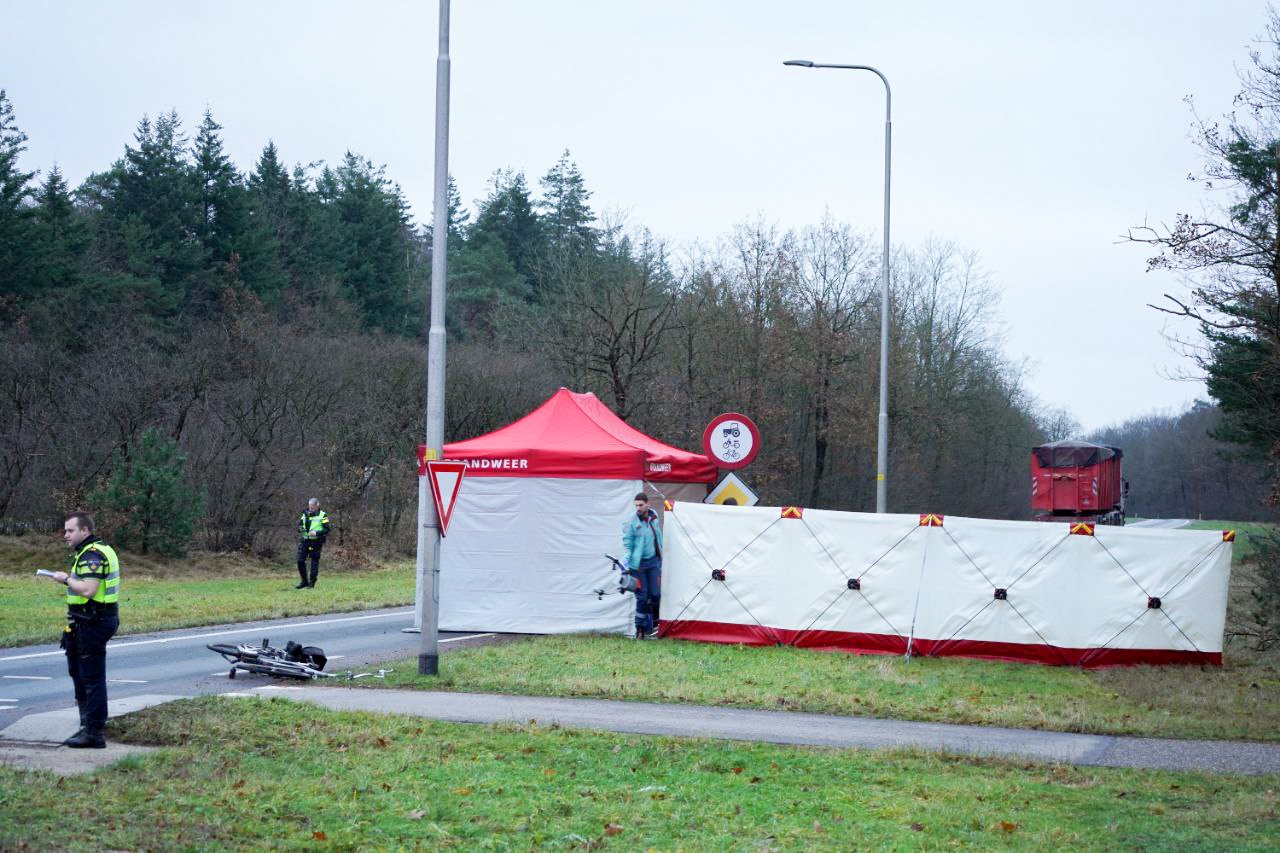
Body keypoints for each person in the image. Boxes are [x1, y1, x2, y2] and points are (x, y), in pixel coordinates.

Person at [41, 512, 120, 749]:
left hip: (93, 621)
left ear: (84, 530)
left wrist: (64, 578)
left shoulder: (92, 555)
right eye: (65, 531)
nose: (65, 535)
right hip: (86, 621)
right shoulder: (92, 550)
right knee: (81, 673)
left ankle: (94, 733)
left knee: (91, 678)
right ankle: (88, 725)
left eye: (70, 530)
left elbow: (88, 590)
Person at [621, 492, 663, 639]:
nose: (638, 508)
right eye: (636, 505)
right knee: (642, 597)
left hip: (653, 562)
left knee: (656, 594)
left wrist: (662, 555)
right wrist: (626, 563)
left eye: (641, 505)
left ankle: (656, 623)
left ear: (648, 504)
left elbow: (658, 536)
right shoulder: (631, 522)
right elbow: (627, 544)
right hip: (638, 565)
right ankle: (639, 629)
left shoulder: (654, 517)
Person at [296, 498, 331, 588]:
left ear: (317, 506)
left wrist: (316, 533)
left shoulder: (323, 515)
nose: (310, 509)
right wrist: (301, 529)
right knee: (300, 561)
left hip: (316, 541)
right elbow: (300, 525)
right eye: (309, 507)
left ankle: (312, 583)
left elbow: (327, 529)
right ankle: (304, 581)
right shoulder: (304, 514)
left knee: (314, 562)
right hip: (305, 540)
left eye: (312, 507)